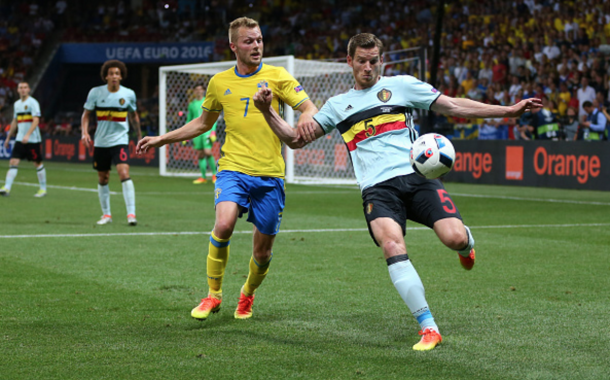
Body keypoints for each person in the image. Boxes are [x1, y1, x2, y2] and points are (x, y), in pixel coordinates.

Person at [252, 33, 542, 351]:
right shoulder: (337, 106)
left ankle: (466, 244)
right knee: (392, 245)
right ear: (349, 61)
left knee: (454, 238)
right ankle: (429, 327)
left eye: (373, 61)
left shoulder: (402, 86)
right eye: (361, 61)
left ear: (381, 60)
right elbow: (295, 140)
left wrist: (509, 111)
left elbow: (454, 105)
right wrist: (268, 111)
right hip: (377, 190)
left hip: (418, 178)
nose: (367, 67)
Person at [136, 17, 318, 320]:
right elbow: (202, 123)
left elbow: (308, 105)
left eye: (259, 39)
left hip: (270, 174)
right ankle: (213, 295)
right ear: (234, 46)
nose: (257, 45)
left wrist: (306, 116)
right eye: (249, 41)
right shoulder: (219, 82)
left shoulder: (278, 75)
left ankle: (247, 294)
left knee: (262, 252)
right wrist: (161, 139)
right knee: (223, 225)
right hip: (232, 168)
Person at [80, 59, 141, 225]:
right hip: (100, 142)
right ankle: (106, 215)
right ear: (105, 76)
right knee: (103, 177)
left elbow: (134, 116)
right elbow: (86, 114)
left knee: (124, 173)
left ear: (121, 77)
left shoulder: (128, 94)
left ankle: (131, 214)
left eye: (117, 73)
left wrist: (140, 136)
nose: (114, 76)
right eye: (111, 73)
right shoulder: (95, 93)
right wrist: (84, 132)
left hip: (120, 140)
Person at [0, 82, 47, 197]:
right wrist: (8, 137)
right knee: (13, 161)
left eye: (25, 87)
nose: (23, 90)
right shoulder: (17, 104)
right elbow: (15, 121)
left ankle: (43, 189)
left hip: (33, 140)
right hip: (20, 139)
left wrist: (28, 135)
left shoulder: (33, 103)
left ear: (29, 89)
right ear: (17, 90)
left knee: (37, 163)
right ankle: (7, 188)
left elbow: (36, 120)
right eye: (21, 88)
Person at [187, 84, 218, 184]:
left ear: (204, 90)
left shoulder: (207, 101)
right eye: (196, 89)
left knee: (208, 152)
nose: (198, 91)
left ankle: (214, 174)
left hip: (207, 130)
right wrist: (186, 135)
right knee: (200, 154)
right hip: (197, 131)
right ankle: (203, 177)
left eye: (200, 89)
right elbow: (189, 119)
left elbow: (214, 116)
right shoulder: (192, 104)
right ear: (194, 91)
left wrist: (213, 131)